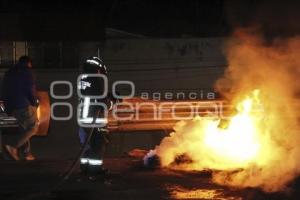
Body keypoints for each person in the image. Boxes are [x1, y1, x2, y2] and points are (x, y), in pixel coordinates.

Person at [78, 56, 113, 177]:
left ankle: (85, 168)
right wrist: (112, 101)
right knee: (98, 145)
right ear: (98, 69)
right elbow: (102, 102)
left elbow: (93, 94)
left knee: (89, 145)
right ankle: (94, 171)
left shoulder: (84, 79)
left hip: (84, 118)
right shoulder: (97, 78)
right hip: (95, 119)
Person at [2, 56, 39, 161]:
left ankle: (27, 154)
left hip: (11, 107)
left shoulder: (9, 72)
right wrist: (34, 103)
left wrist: (8, 108)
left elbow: (4, 90)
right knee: (33, 127)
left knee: (23, 130)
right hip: (23, 105)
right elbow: (30, 90)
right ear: (29, 63)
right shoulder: (27, 72)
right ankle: (13, 145)